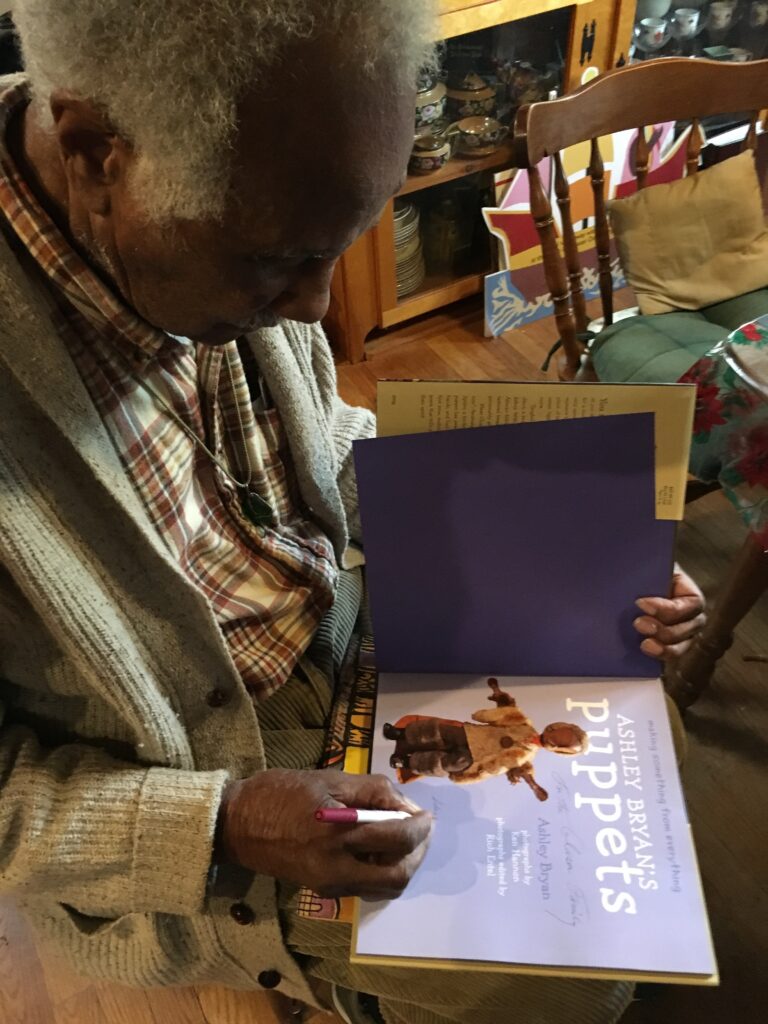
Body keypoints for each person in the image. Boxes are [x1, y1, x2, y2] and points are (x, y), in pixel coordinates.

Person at [0, 3, 707, 1023]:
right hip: (192, 777)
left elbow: (319, 442)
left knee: (634, 746)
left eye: (342, 243)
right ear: (96, 154)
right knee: (569, 980)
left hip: (342, 619)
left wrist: (574, 547)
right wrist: (224, 826)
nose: (318, 307)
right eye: (272, 259)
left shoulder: (203, 199)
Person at [384, 678, 588, 800]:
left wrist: (532, 784)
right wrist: (499, 695)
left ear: (559, 749)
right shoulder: (523, 725)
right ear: (557, 726)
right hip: (473, 735)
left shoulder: (525, 757)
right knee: (439, 732)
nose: (554, 738)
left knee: (444, 763)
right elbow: (507, 712)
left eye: (560, 741)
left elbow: (523, 770)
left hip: (476, 760)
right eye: (558, 733)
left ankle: (408, 762)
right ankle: (401, 733)